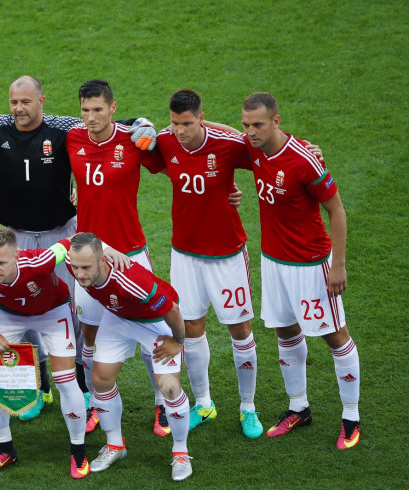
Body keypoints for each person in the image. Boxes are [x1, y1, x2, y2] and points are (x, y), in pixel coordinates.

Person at [0, 76, 158, 422]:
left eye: (26, 101)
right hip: (18, 237)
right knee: (21, 308)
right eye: (14, 102)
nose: (19, 109)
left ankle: (82, 389)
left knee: (65, 311)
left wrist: (142, 124)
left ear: (42, 100)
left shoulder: (64, 130)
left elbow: (111, 125)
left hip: (63, 236)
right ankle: (39, 387)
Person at [241, 92, 360, 449]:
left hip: (311, 265)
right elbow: (215, 133)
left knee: (334, 335)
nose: (250, 132)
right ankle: (299, 408)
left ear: (276, 121)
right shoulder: (253, 147)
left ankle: (351, 417)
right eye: (246, 125)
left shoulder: (305, 160)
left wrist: (337, 264)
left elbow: (336, 211)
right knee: (285, 332)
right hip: (273, 262)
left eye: (258, 124)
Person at [65, 79, 169, 435]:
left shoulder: (134, 139)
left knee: (151, 331)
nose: (91, 117)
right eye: (85, 110)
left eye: (98, 109)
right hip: (88, 259)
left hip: (131, 255)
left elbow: (176, 161)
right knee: (89, 335)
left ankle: (162, 405)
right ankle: (97, 401)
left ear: (112, 108)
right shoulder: (73, 137)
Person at [156, 89, 262, 438]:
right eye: (174, 123)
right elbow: (130, 140)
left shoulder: (228, 144)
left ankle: (248, 407)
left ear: (202, 118)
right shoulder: (166, 141)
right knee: (191, 329)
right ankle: (204, 403)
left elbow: (267, 147)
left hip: (227, 255)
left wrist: (309, 148)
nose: (180, 131)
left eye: (187, 123)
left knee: (240, 331)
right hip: (184, 255)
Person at [0, 228, 91, 479]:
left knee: (65, 380)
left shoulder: (40, 260)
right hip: (7, 315)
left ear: (17, 256)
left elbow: (76, 238)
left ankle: (78, 452)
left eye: (2, 263)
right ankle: (4, 449)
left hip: (53, 311)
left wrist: (110, 250)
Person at [66, 233, 192, 482]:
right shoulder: (80, 261)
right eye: (76, 267)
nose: (80, 274)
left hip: (156, 323)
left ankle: (180, 452)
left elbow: (172, 309)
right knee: (100, 379)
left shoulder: (130, 280)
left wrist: (178, 342)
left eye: (86, 268)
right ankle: (115, 446)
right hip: (119, 317)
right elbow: (70, 239)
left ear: (102, 261)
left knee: (169, 387)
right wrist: (107, 244)